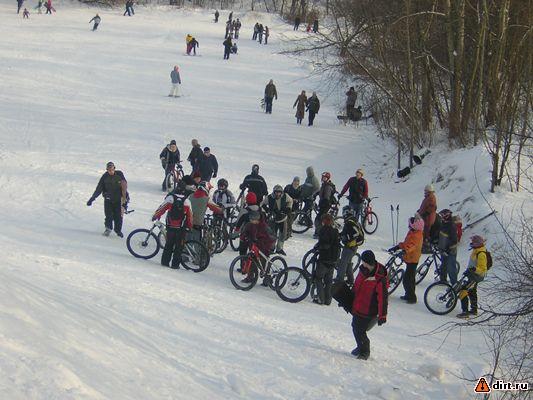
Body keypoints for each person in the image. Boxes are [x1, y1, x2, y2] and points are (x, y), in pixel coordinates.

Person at [350, 250, 388, 360]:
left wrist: (382, 315)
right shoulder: (363, 270)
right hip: (358, 305)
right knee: (355, 327)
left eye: (364, 262)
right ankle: (360, 346)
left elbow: (383, 299)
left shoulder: (380, 278)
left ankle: (365, 351)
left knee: (360, 331)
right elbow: (357, 285)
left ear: (368, 262)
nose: (362, 264)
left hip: (369, 310)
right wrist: (349, 297)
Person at [151, 191, 193, 269]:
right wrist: (190, 226)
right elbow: (190, 216)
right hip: (181, 229)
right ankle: (175, 265)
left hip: (170, 227)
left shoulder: (170, 199)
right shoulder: (187, 202)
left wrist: (155, 216)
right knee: (179, 247)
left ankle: (165, 262)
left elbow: (161, 209)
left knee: (168, 245)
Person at [87, 162, 128, 237]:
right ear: (107, 170)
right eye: (109, 170)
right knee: (108, 216)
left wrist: (125, 202)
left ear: (114, 168)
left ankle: (118, 230)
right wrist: (92, 198)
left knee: (118, 216)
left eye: (112, 169)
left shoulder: (119, 175)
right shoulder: (105, 177)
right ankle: (108, 229)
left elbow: (124, 189)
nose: (110, 171)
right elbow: (99, 188)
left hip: (118, 200)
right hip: (108, 200)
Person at [389, 216, 424, 303]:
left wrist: (405, 251)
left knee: (407, 279)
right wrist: (398, 247)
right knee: (410, 278)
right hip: (410, 257)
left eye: (410, 225)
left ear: (415, 226)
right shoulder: (412, 232)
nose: (408, 227)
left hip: (413, 259)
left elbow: (412, 246)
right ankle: (409, 295)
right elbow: (406, 243)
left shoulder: (417, 235)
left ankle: (412, 297)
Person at [240, 210, 276, 284]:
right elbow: (244, 232)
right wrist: (243, 237)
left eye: (253, 220)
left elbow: (271, 238)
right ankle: (250, 277)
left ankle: (267, 279)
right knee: (251, 261)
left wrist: (267, 245)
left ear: (258, 219)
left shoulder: (264, 227)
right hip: (254, 247)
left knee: (263, 264)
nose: (251, 221)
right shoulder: (249, 225)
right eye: (251, 219)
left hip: (264, 248)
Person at [457, 235, 488, 318]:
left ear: (477, 243)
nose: (471, 243)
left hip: (476, 276)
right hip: (473, 275)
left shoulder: (481, 254)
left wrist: (474, 269)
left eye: (473, 242)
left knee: (463, 290)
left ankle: (465, 312)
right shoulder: (476, 250)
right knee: (472, 291)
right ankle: (474, 310)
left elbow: (483, 269)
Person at [315, 214, 341, 305]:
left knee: (318, 278)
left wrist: (317, 247)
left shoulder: (323, 230)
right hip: (333, 259)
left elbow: (323, 244)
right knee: (329, 281)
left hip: (324, 259)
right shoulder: (335, 231)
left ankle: (321, 299)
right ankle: (328, 300)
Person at [336, 206, 364, 285]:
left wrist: (346, 239)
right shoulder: (354, 221)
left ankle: (339, 280)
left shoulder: (350, 222)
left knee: (343, 263)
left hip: (350, 246)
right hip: (354, 246)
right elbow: (346, 232)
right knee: (348, 263)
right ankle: (350, 280)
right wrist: (340, 235)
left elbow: (354, 234)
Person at [262, 185, 292, 255]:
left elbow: (290, 201)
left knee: (283, 234)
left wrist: (288, 208)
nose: (278, 194)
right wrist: (267, 210)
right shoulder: (269, 197)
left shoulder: (285, 196)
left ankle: (279, 248)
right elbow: (262, 204)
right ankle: (271, 248)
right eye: (276, 192)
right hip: (273, 219)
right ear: (274, 192)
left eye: (279, 192)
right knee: (272, 234)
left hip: (283, 219)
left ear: (281, 192)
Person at [437, 209, 458, 284]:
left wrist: (448, 249)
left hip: (450, 250)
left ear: (447, 216)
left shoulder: (451, 226)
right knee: (444, 265)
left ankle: (454, 285)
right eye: (441, 216)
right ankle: (443, 280)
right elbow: (441, 235)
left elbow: (454, 240)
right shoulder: (443, 224)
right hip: (443, 249)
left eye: (442, 216)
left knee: (451, 268)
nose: (441, 217)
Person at [314, 172, 336, 237]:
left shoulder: (328, 186)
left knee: (319, 219)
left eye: (325, 178)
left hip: (325, 206)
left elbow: (327, 197)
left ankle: (319, 233)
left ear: (328, 178)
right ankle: (318, 232)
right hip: (323, 205)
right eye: (323, 177)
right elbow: (321, 191)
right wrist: (315, 194)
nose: (323, 178)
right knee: (320, 219)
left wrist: (323, 203)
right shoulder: (324, 184)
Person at [417, 184, 437, 250]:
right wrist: (420, 211)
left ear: (429, 191)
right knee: (425, 231)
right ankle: (424, 244)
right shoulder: (428, 197)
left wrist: (426, 213)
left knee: (426, 232)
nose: (425, 192)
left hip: (428, 219)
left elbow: (433, 207)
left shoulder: (431, 197)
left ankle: (426, 246)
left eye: (426, 191)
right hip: (426, 218)